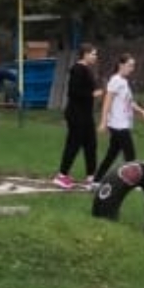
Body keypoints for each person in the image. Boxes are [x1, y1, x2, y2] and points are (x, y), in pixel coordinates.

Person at [94, 55, 144, 181]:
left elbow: (129, 102)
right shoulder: (115, 81)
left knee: (112, 154)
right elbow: (107, 102)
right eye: (130, 65)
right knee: (130, 155)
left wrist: (142, 112)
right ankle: (133, 180)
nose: (132, 69)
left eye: (133, 66)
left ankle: (97, 179)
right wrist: (103, 122)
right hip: (118, 125)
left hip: (123, 123)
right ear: (121, 65)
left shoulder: (123, 82)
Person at [55, 44, 99, 188]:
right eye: (93, 54)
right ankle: (61, 175)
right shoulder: (78, 69)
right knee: (73, 144)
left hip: (86, 114)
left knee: (91, 144)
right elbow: (73, 92)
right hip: (76, 114)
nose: (95, 57)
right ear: (85, 54)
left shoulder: (87, 69)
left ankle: (91, 177)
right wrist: (92, 94)